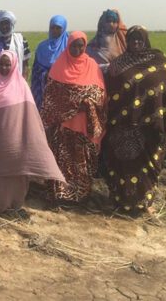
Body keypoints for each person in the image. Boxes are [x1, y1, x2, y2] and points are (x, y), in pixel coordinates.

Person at [0, 51, 66, 214]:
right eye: (1, 64)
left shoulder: (22, 87)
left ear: (14, 65)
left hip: (13, 142)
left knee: (13, 172)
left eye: (8, 64)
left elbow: (29, 117)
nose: (4, 67)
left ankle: (11, 203)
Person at [103, 26, 166, 214]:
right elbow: (109, 91)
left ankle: (146, 202)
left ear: (145, 40)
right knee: (123, 166)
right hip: (123, 126)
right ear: (127, 41)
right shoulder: (118, 65)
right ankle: (121, 201)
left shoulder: (159, 60)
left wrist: (163, 116)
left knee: (146, 166)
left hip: (150, 127)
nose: (136, 42)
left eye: (140, 39)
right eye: (132, 39)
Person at [40, 31, 106, 204]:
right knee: (62, 159)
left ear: (85, 46)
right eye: (73, 46)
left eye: (80, 46)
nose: (77, 49)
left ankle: (81, 194)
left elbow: (100, 94)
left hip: (84, 124)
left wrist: (88, 101)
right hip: (63, 124)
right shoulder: (59, 66)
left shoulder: (92, 66)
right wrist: (76, 101)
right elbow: (51, 96)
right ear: (68, 46)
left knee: (81, 160)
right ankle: (61, 193)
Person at [30, 15, 69, 109]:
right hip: (42, 89)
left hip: (63, 90)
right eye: (52, 27)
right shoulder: (42, 47)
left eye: (58, 28)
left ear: (64, 28)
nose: (55, 30)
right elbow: (35, 70)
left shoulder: (69, 46)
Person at [0, 10, 31, 80]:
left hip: (16, 82)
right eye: (1, 24)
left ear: (12, 24)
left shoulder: (21, 40)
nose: (4, 27)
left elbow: (25, 64)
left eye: (7, 23)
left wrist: (23, 82)